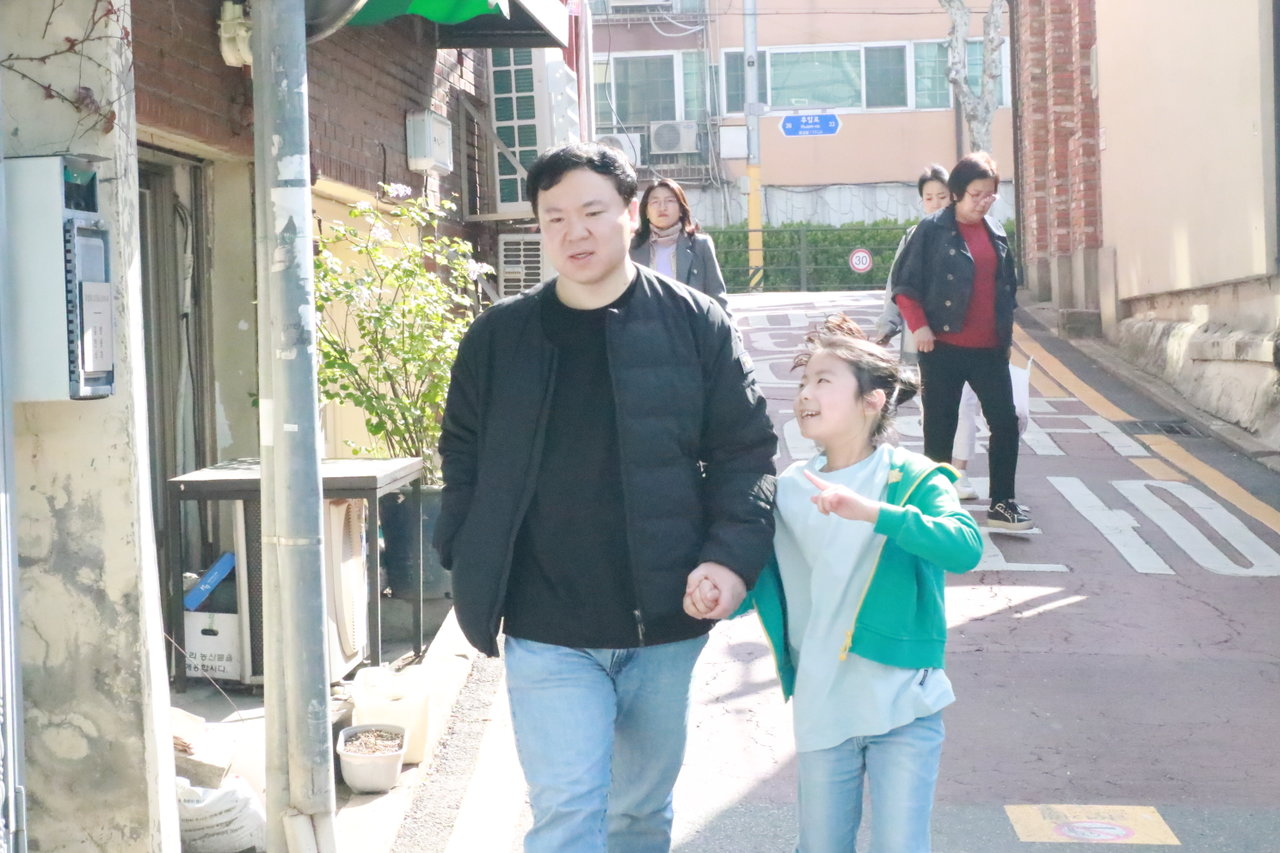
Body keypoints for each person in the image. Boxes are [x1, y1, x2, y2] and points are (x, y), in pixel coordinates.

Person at [434, 141, 777, 853]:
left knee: (638, 816)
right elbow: (461, 454)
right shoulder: (498, 337)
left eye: (591, 212)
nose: (574, 232)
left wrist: (728, 559)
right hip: (545, 622)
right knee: (567, 813)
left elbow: (745, 451)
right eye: (554, 218)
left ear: (630, 213)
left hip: (667, 619)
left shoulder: (695, 323)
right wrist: (465, 547)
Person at [716, 314, 983, 853]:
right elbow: (764, 580)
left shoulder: (911, 477)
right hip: (822, 703)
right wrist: (720, 592)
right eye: (803, 382)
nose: (805, 395)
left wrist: (875, 513)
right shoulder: (789, 489)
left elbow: (964, 547)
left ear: (872, 401)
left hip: (905, 705)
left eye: (823, 380)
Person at [890, 151, 1032, 530]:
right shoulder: (931, 230)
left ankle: (1002, 503)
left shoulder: (996, 232)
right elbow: (905, 285)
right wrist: (919, 326)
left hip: (989, 349)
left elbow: (1006, 289)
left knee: (1005, 422)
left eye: (990, 195)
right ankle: (935, 506)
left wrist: (1006, 334)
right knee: (940, 428)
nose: (983, 202)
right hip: (942, 347)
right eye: (976, 194)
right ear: (957, 193)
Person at [874, 164, 981, 501]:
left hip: (968, 339)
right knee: (933, 410)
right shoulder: (914, 236)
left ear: (955, 197)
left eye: (942, 196)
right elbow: (897, 285)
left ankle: (959, 472)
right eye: (929, 197)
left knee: (965, 405)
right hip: (922, 341)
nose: (935, 203)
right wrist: (887, 326)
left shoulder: (974, 233)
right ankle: (940, 472)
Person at [630, 178, 729, 311]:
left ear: (681, 209)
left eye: (670, 201)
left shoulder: (700, 245)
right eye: (655, 202)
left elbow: (717, 296)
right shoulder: (631, 248)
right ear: (646, 211)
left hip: (689, 321)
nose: (662, 207)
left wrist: (727, 323)